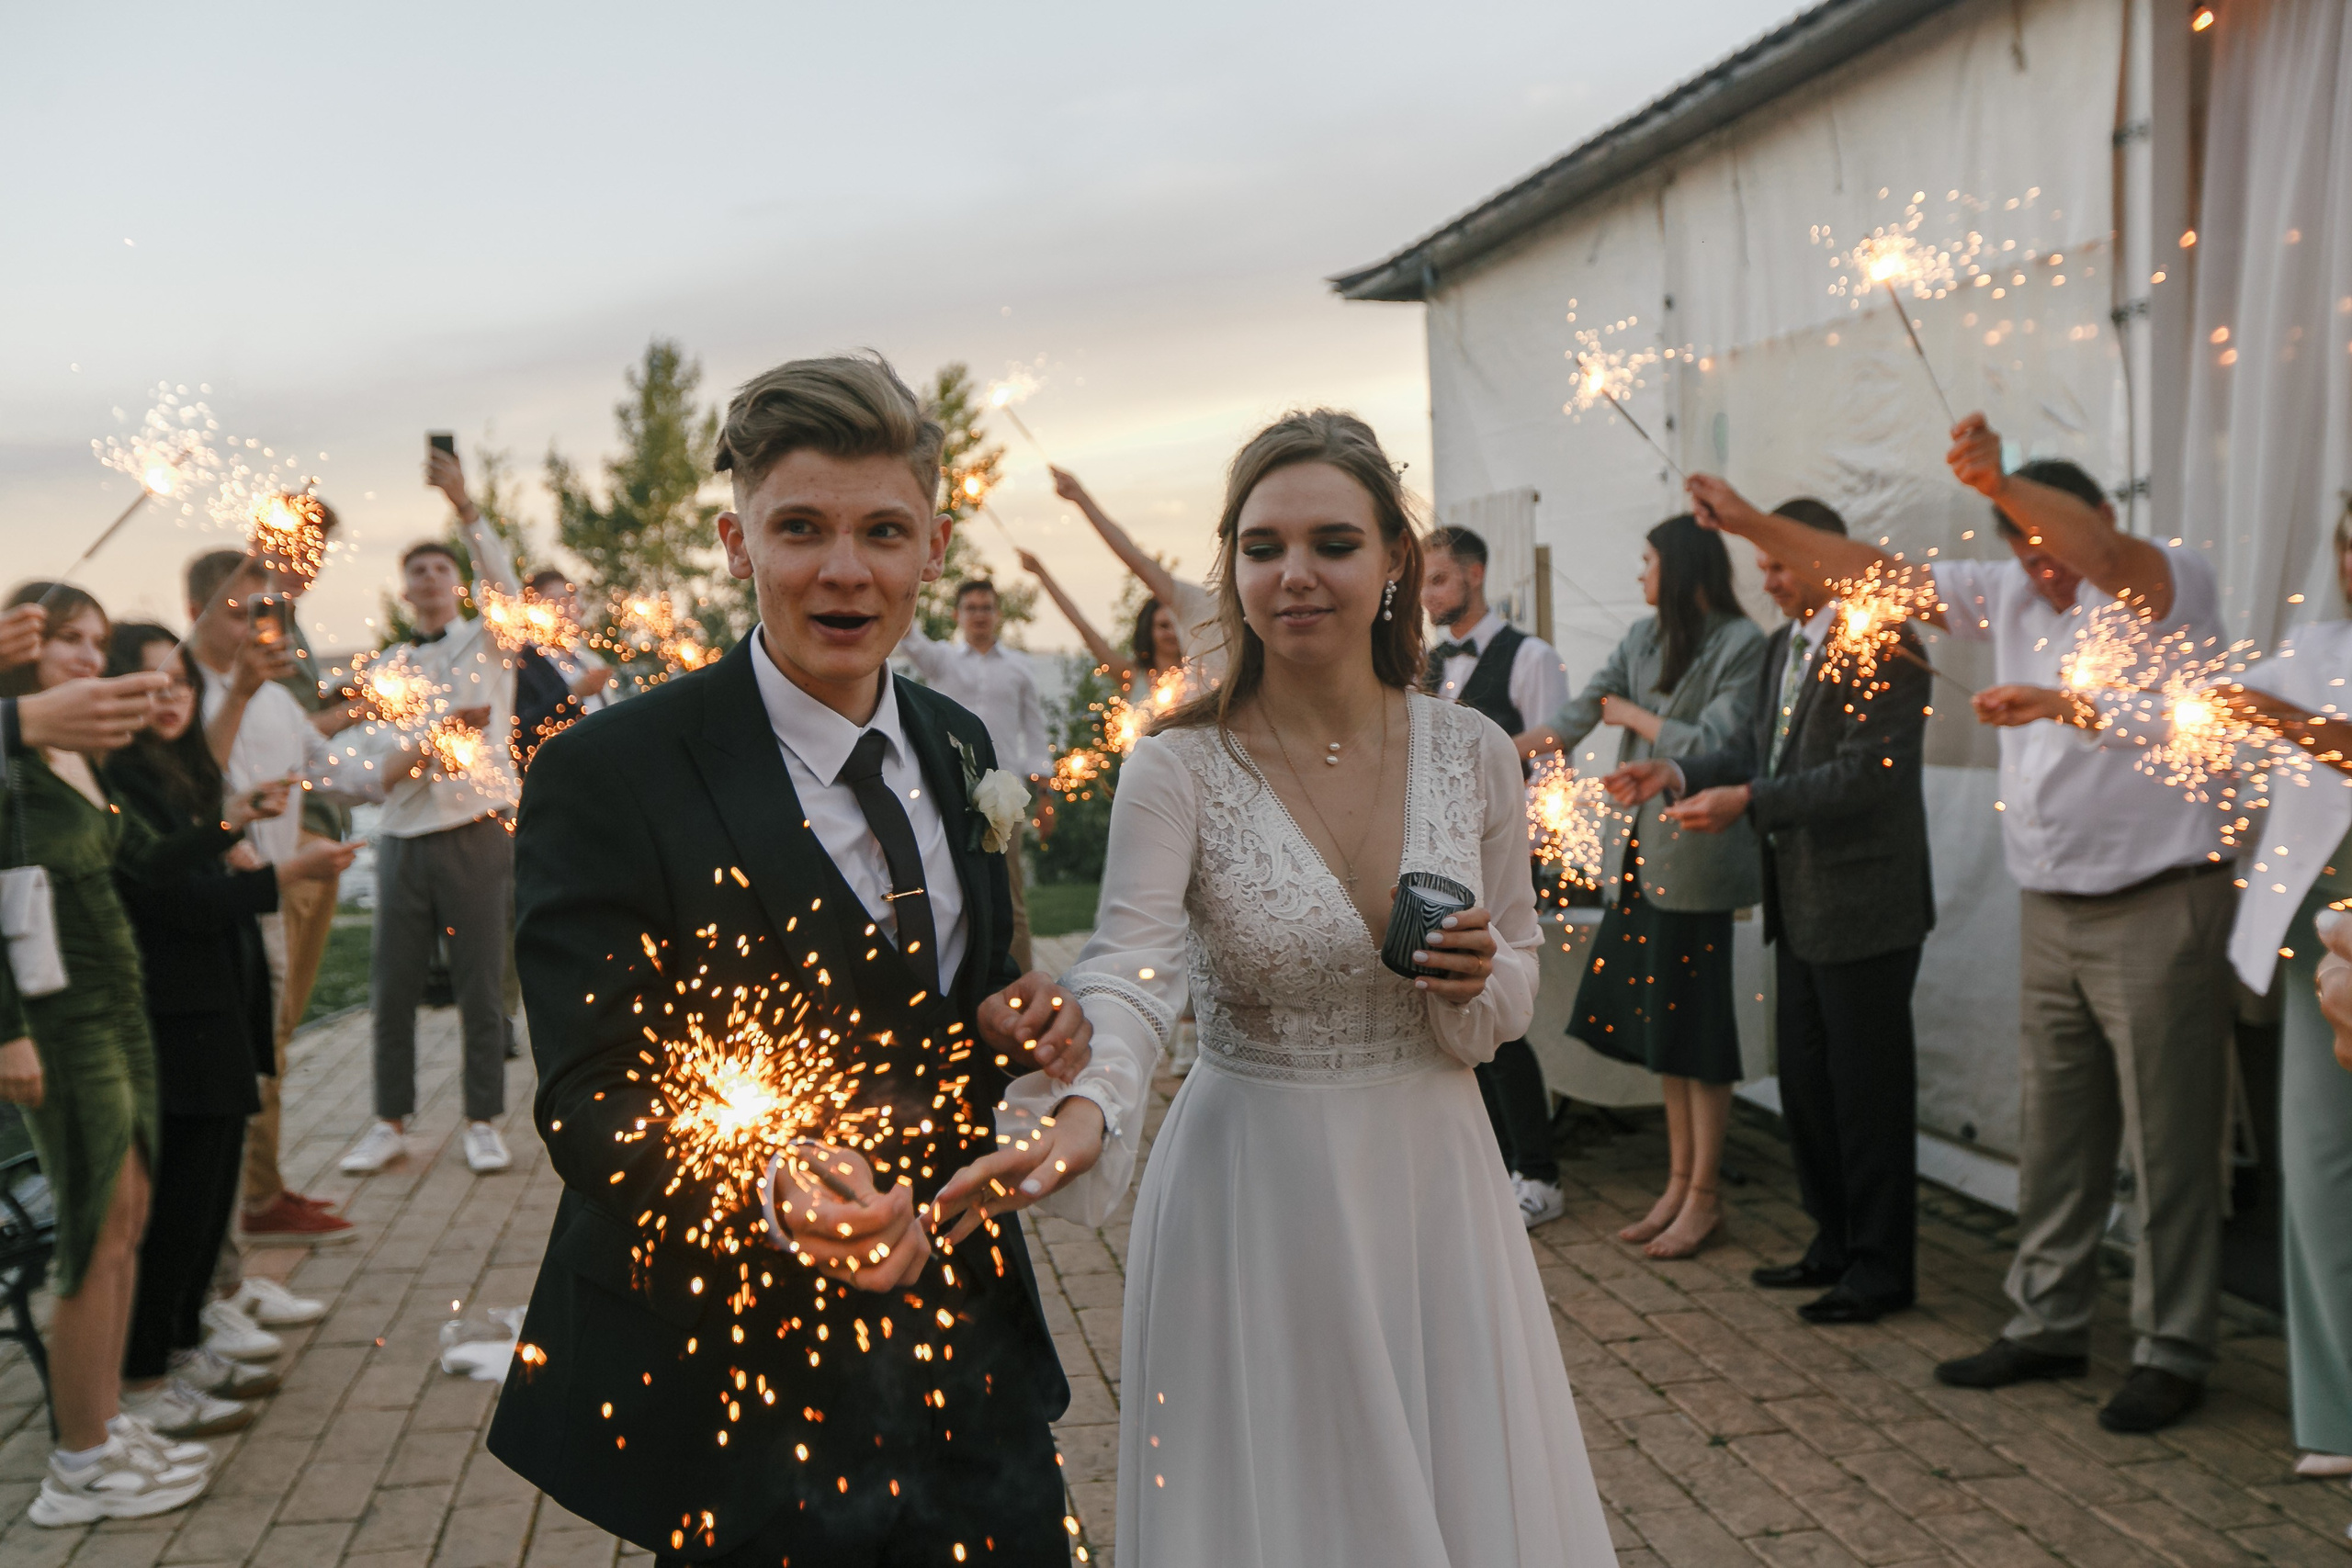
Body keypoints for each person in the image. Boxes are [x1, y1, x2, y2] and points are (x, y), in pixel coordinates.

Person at [487, 353, 1105, 1566]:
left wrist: (1005, 1019)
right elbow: (592, 1091)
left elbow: (941, 985)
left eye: (883, 529)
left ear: (932, 547)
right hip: (738, 1363)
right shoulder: (610, 771)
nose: (844, 567)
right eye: (801, 527)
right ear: (735, 542)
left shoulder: (963, 739)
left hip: (965, 1323)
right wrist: (767, 1181)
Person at [1046, 410, 1612, 1565]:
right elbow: (1129, 970)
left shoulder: (1475, 752)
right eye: (1262, 548)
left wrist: (1476, 977)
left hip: (1434, 1178)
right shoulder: (1177, 766)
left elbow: (1515, 985)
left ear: (1396, 560)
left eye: (1332, 544)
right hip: (1252, 1185)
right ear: (1231, 566)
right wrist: (1090, 1102)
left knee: (1451, 1477)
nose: (1294, 575)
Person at [1691, 417, 2233, 1433]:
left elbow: (2104, 559)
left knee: (2166, 1140)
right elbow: (1874, 571)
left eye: (2049, 540)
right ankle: (2047, 1321)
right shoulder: (2012, 590)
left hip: (2161, 899)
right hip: (2052, 904)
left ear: (2097, 520)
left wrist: (2003, 485)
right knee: (2059, 1131)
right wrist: (1750, 520)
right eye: (2020, 545)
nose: (2044, 567)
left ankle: (2173, 1346)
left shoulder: (2168, 578)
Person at [1607, 494, 1933, 1325]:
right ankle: (1832, 1240)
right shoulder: (1788, 646)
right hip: (1799, 904)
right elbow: (1748, 747)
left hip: (1866, 904)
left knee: (1867, 1095)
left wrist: (1749, 800)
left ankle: (1881, 1265)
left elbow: (1868, 774)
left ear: (1823, 556)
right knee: (1808, 1087)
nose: (1769, 580)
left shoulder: (1886, 639)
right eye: (1763, 565)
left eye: (1780, 563)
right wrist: (1672, 773)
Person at [0, 582, 269, 1525]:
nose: (85, 655)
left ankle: (109, 1423)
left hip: (124, 1012)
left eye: (95, 639)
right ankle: (77, 1465)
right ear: (21, 646)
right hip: (61, 1022)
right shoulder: (10, 770)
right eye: (66, 639)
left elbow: (138, 865)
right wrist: (7, 1032)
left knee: (130, 1218)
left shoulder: (71, 759)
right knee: (93, 1232)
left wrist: (234, 824)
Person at [101, 626, 354, 1440]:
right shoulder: (123, 781)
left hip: (217, 1006)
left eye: (178, 681)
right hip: (177, 1020)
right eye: (149, 683)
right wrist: (284, 871)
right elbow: (169, 897)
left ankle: (185, 1340)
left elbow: (201, 831)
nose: (170, 695)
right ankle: (149, 1370)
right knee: (180, 1209)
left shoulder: (173, 771)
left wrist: (235, 816)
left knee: (209, 1202)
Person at [1521, 514, 1765, 1258]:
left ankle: (1704, 1195)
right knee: (1665, 1033)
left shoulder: (1742, 644)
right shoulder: (1641, 637)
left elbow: (1722, 744)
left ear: (1684, 567)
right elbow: (1579, 709)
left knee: (1698, 1036)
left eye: (1650, 559)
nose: (1640, 573)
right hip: (1635, 857)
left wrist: (1634, 717)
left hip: (1696, 860)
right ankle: (1677, 1181)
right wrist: (1504, 748)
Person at [335, 447, 525, 1179]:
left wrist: (466, 509)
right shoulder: (387, 668)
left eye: (441, 568)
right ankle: (389, 1118)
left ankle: (482, 1118)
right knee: (393, 985)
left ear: (456, 581)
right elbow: (376, 759)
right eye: (417, 570)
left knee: (481, 980)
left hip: (478, 829)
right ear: (405, 588)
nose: (429, 579)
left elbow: (504, 586)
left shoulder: (488, 641)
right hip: (404, 835)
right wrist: (429, 748)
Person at [181, 548, 366, 1248]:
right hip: (226, 903)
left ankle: (259, 1193)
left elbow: (333, 775)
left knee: (273, 1050)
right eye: (241, 612)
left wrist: (417, 755)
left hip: (278, 886)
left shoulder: (273, 699)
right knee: (247, 1057)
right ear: (197, 609)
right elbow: (191, 793)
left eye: (265, 611)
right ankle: (239, 1222)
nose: (258, 627)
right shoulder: (185, 693)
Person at [1419, 524, 1573, 1226]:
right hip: (1429, 864)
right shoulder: (1423, 665)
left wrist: (1526, 858)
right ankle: (1485, 1162)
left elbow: (1549, 766)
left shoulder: (1529, 655)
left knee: (1501, 1013)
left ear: (1474, 575)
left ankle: (1539, 1171)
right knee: (1446, 1007)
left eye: (1438, 579)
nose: (1425, 595)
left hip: (1503, 860)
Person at [897, 579, 1051, 968]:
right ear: (957, 615)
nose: (979, 615)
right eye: (971, 608)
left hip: (1005, 796)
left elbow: (1035, 733)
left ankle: (1020, 983)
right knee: (946, 890)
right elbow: (908, 634)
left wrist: (1045, 795)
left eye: (986, 607)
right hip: (946, 790)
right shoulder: (941, 660)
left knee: (1010, 895)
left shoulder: (1020, 668)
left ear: (998, 614)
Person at [1051, 465, 1228, 682]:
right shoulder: (1202, 606)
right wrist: (1082, 499)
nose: (1172, 633)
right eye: (1163, 625)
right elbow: (1138, 562)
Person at [1019, 547, 1187, 697]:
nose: (1171, 633)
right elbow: (1083, 626)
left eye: (1176, 625)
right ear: (1148, 630)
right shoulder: (1130, 675)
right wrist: (1040, 572)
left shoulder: (1197, 678)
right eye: (1163, 626)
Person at [511, 567, 613, 773]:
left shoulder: (590, 661)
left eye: (568, 600)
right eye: (552, 601)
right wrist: (572, 694)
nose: (563, 609)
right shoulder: (520, 663)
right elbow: (520, 731)